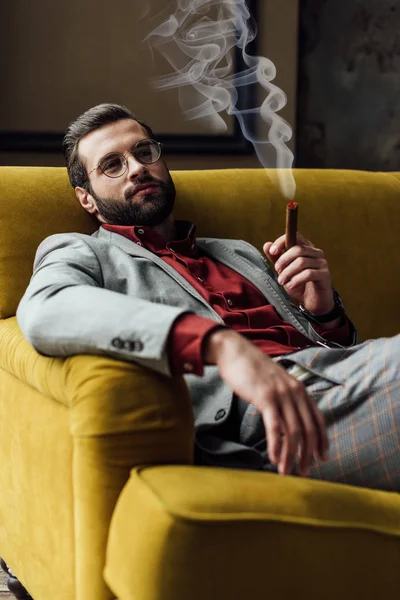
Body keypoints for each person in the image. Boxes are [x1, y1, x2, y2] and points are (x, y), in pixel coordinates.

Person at [17, 103, 400, 491]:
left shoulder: (240, 252)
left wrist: (324, 313)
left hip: (338, 383)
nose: (136, 168)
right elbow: (45, 308)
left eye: (144, 152)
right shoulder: (83, 251)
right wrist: (217, 345)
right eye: (112, 165)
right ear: (87, 198)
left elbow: (335, 353)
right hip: (257, 424)